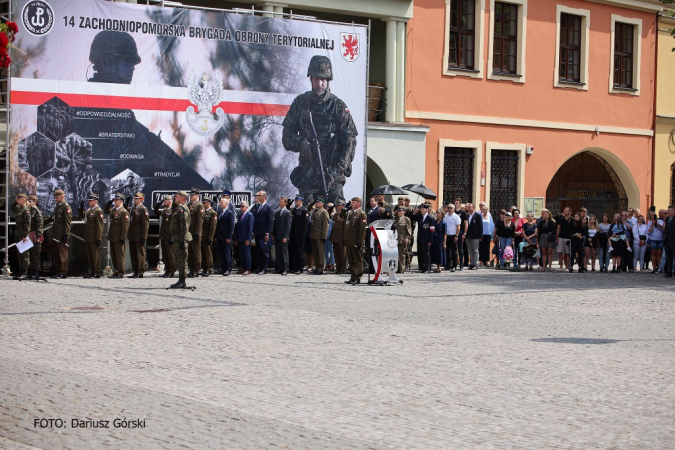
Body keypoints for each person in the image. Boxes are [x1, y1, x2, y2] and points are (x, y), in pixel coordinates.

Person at [282, 55, 358, 203]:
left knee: (336, 216)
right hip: (309, 174)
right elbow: (286, 137)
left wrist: (335, 172)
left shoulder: (338, 107)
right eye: (317, 79)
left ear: (328, 81)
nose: (320, 84)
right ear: (311, 79)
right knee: (305, 218)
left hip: (332, 176)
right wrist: (302, 143)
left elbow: (349, 143)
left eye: (323, 80)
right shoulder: (300, 103)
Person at [169, 191, 192, 288]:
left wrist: (182, 240)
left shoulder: (183, 210)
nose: (175, 198)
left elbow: (184, 227)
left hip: (181, 238)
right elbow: (173, 207)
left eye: (177, 196)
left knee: (182, 260)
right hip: (177, 238)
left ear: (182, 198)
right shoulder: (178, 208)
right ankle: (181, 280)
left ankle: (182, 281)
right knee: (179, 260)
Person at [344, 197, 367, 284]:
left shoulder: (361, 214)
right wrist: (345, 209)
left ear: (358, 204)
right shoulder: (350, 213)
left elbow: (362, 230)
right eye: (351, 202)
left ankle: (358, 277)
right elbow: (341, 217)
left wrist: (360, 242)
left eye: (353, 202)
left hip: (355, 241)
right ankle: (353, 276)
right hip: (349, 240)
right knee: (350, 260)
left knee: (357, 260)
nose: (351, 204)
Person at [126, 192, 150, 278]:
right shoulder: (133, 209)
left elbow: (145, 225)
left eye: (136, 198)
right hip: (132, 235)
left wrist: (144, 237)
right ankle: (135, 270)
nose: (134, 200)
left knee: (140, 254)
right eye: (134, 198)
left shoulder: (143, 209)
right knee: (133, 254)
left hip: (139, 235)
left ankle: (140, 271)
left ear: (141, 199)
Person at [251, 191, 274, 274]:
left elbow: (270, 221)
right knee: (258, 251)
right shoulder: (257, 207)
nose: (257, 197)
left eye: (259, 195)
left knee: (265, 251)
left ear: (264, 197)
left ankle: (265, 268)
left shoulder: (268, 207)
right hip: (257, 232)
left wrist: (268, 233)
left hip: (265, 233)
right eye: (257, 196)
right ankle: (259, 267)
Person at [50, 189, 72, 278]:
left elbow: (67, 222)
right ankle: (58, 270)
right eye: (55, 197)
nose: (56, 199)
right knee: (56, 254)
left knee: (62, 254)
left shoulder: (66, 207)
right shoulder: (57, 206)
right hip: (55, 234)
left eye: (57, 197)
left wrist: (66, 234)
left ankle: (63, 272)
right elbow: (53, 218)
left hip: (61, 234)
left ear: (62, 197)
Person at [107, 192, 129, 279]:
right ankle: (116, 271)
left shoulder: (123, 212)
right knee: (114, 256)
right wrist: (108, 203)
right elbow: (106, 211)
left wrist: (123, 237)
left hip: (118, 237)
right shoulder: (114, 210)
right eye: (115, 200)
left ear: (121, 201)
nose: (115, 202)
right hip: (112, 236)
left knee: (120, 256)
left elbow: (124, 227)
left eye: (116, 200)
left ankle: (120, 272)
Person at [83, 193, 104, 279]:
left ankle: (96, 272)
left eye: (91, 201)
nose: (89, 202)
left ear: (96, 201)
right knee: (90, 255)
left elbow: (99, 226)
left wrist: (98, 237)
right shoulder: (89, 211)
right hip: (88, 236)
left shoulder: (98, 211)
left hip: (94, 237)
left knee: (95, 255)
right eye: (89, 201)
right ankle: (91, 271)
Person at [154, 195, 176, 278]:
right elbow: (156, 212)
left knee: (171, 255)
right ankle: (167, 271)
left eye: (165, 201)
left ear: (170, 201)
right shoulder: (165, 210)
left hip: (169, 236)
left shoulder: (173, 210)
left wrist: (172, 236)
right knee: (165, 255)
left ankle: (172, 271)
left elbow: (174, 225)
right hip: (163, 235)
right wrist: (158, 205)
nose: (164, 202)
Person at [11, 194, 31, 280]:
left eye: (18, 199)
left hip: (23, 235)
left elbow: (27, 224)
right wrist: (16, 201)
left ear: (23, 200)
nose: (17, 201)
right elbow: (12, 207)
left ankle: (25, 272)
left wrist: (25, 235)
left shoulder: (26, 210)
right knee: (19, 253)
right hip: (18, 234)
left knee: (24, 254)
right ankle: (20, 270)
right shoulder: (18, 208)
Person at [215, 194, 236, 276]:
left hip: (226, 237)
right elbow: (218, 225)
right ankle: (222, 268)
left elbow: (231, 226)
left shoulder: (230, 213)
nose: (220, 203)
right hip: (220, 236)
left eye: (221, 202)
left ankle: (228, 268)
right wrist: (216, 235)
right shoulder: (219, 212)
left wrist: (229, 237)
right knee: (221, 253)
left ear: (226, 204)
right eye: (220, 202)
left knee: (227, 253)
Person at [309, 195, 330, 274]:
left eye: (319, 202)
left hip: (320, 235)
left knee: (320, 252)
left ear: (323, 203)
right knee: (315, 252)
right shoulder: (315, 211)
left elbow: (325, 225)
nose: (317, 203)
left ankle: (321, 268)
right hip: (313, 234)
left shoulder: (324, 212)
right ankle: (317, 266)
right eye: (316, 202)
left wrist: (324, 236)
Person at [187, 188, 205, 278]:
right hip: (189, 233)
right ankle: (191, 269)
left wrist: (197, 233)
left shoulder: (199, 206)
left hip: (195, 232)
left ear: (197, 195)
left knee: (196, 252)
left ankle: (196, 270)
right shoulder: (189, 205)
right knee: (190, 252)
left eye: (192, 195)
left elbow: (199, 221)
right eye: (190, 195)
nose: (191, 196)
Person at [289, 196, 309, 274]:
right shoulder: (293, 210)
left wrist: (303, 235)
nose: (295, 202)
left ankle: (300, 268)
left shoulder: (304, 211)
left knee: (300, 252)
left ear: (301, 202)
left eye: (297, 201)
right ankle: (295, 267)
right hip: (293, 234)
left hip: (300, 234)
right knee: (294, 252)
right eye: (295, 200)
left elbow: (305, 225)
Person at [273, 196, 292, 275]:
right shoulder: (277, 212)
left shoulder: (287, 212)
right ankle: (279, 267)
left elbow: (288, 226)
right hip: (277, 236)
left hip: (283, 236)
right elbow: (275, 225)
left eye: (281, 201)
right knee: (278, 253)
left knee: (284, 252)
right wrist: (273, 234)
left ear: (285, 203)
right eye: (279, 201)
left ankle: (285, 268)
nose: (279, 202)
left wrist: (285, 236)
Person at [413, 204, 435, 273]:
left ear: (426, 210)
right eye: (421, 209)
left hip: (426, 239)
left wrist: (430, 240)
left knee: (426, 253)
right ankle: (421, 267)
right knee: (420, 253)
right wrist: (415, 212)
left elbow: (432, 230)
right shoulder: (419, 217)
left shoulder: (430, 218)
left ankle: (427, 268)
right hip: (419, 238)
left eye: (423, 209)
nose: (421, 210)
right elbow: (412, 218)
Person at [234, 201, 254, 275]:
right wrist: (236, 237)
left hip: (246, 238)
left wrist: (248, 239)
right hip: (240, 237)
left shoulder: (250, 215)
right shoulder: (239, 215)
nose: (241, 208)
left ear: (247, 207)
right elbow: (238, 227)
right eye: (240, 206)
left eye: (242, 206)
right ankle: (243, 267)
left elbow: (250, 228)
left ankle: (247, 269)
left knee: (247, 254)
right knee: (241, 254)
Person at [200, 195, 218, 276]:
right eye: (203, 202)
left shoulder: (212, 213)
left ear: (209, 203)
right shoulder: (203, 212)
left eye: (205, 202)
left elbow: (212, 227)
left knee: (208, 253)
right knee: (203, 253)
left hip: (208, 236)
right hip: (202, 236)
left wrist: (210, 237)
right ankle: (204, 268)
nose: (203, 203)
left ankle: (209, 268)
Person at [27, 195, 44, 280]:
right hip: (30, 235)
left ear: (35, 201)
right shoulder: (29, 210)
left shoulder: (37, 211)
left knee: (36, 254)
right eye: (29, 201)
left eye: (31, 201)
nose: (29, 202)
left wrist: (38, 236)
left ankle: (37, 271)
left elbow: (40, 225)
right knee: (31, 254)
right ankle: (32, 271)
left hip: (36, 235)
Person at [330, 199, 348, 275]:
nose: (337, 206)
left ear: (343, 206)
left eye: (339, 205)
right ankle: (338, 268)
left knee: (342, 254)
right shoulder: (335, 214)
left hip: (341, 237)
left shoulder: (346, 214)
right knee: (336, 254)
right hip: (335, 237)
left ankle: (343, 268)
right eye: (336, 205)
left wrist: (345, 238)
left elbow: (345, 227)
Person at [393, 205, 412, 274]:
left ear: (404, 212)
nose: (399, 212)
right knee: (395, 255)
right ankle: (396, 268)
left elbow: (409, 230)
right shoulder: (395, 219)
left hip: (402, 238)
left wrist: (407, 238)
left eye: (401, 211)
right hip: (394, 239)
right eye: (398, 211)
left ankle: (401, 268)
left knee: (401, 255)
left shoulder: (406, 219)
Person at [442, 204, 461, 272]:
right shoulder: (445, 217)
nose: (449, 209)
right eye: (448, 208)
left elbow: (458, 227)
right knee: (447, 251)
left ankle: (454, 265)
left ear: (453, 209)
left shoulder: (456, 217)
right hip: (447, 235)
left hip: (453, 235)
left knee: (454, 251)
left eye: (450, 208)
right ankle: (447, 265)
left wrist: (456, 235)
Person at [465, 203, 482, 270]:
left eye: (470, 207)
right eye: (468, 207)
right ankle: (472, 263)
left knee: (475, 250)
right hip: (468, 236)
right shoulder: (467, 216)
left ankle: (476, 264)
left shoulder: (477, 216)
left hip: (475, 236)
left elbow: (480, 227)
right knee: (470, 250)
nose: (468, 208)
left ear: (473, 208)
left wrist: (480, 236)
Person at [556, 207, 573, 272]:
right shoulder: (561, 219)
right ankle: (561, 266)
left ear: (570, 212)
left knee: (567, 253)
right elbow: (558, 228)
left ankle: (567, 266)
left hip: (568, 238)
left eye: (566, 210)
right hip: (561, 237)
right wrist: (557, 237)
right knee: (560, 252)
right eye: (564, 210)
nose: (565, 212)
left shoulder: (572, 220)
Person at [453, 198, 468, 270]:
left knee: (460, 249)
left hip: (460, 231)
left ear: (460, 204)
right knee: (453, 249)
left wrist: (464, 233)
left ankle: (461, 264)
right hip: (453, 232)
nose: (455, 204)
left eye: (457, 203)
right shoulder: (453, 212)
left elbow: (466, 223)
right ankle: (454, 264)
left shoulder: (463, 213)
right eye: (455, 203)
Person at [432, 209, 446, 273]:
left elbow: (445, 233)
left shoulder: (443, 223)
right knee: (435, 252)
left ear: (442, 215)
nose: (437, 214)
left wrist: (444, 242)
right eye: (437, 213)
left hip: (441, 238)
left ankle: (439, 267)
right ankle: (436, 266)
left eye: (439, 213)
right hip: (435, 237)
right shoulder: (434, 222)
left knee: (440, 252)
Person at [663, 205, 675, 278]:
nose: (668, 211)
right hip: (667, 240)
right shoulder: (667, 219)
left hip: (674, 240)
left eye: (669, 210)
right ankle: (668, 272)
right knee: (668, 257)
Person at [324, 203, 335, 271]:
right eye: (326, 206)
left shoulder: (333, 215)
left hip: (331, 234)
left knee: (331, 249)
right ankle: (327, 263)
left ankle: (332, 263)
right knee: (326, 249)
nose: (327, 207)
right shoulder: (325, 214)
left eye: (329, 207)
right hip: (326, 234)